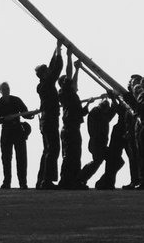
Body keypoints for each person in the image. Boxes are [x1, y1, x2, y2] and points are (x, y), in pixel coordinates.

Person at [0, 82, 32, 189]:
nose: (6, 91)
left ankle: (23, 183)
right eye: (4, 89)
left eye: (7, 88)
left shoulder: (16, 100)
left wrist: (31, 115)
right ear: (1, 91)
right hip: (7, 131)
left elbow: (25, 113)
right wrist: (4, 119)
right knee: (6, 158)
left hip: (18, 131)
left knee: (21, 158)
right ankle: (7, 182)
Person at [57, 54, 91, 190]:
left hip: (73, 127)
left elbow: (74, 82)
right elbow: (69, 75)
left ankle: (75, 180)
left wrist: (78, 69)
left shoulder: (72, 95)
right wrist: (69, 56)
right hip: (70, 128)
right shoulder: (65, 92)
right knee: (70, 155)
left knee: (75, 155)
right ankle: (66, 180)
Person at [35, 41, 63, 189]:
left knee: (48, 150)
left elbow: (53, 67)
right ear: (43, 74)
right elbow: (57, 68)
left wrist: (56, 49)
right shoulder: (47, 84)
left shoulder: (43, 85)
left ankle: (42, 180)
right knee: (53, 149)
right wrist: (59, 52)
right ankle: (46, 180)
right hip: (50, 119)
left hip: (46, 120)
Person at [79, 98, 115, 187]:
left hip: (98, 144)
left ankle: (83, 178)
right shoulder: (96, 113)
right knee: (102, 161)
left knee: (107, 161)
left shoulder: (102, 116)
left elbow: (113, 110)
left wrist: (112, 99)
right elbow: (112, 111)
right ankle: (81, 178)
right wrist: (112, 98)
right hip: (96, 144)